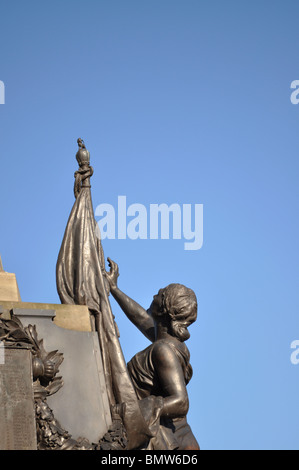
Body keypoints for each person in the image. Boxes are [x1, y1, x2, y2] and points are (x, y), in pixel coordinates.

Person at [105, 258, 200, 450]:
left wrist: (141, 408)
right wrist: (114, 289)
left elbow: (181, 402)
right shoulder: (167, 341)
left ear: (164, 310)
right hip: (176, 437)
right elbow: (141, 318)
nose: (153, 296)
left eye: (159, 295)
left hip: (171, 442)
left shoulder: (163, 350)